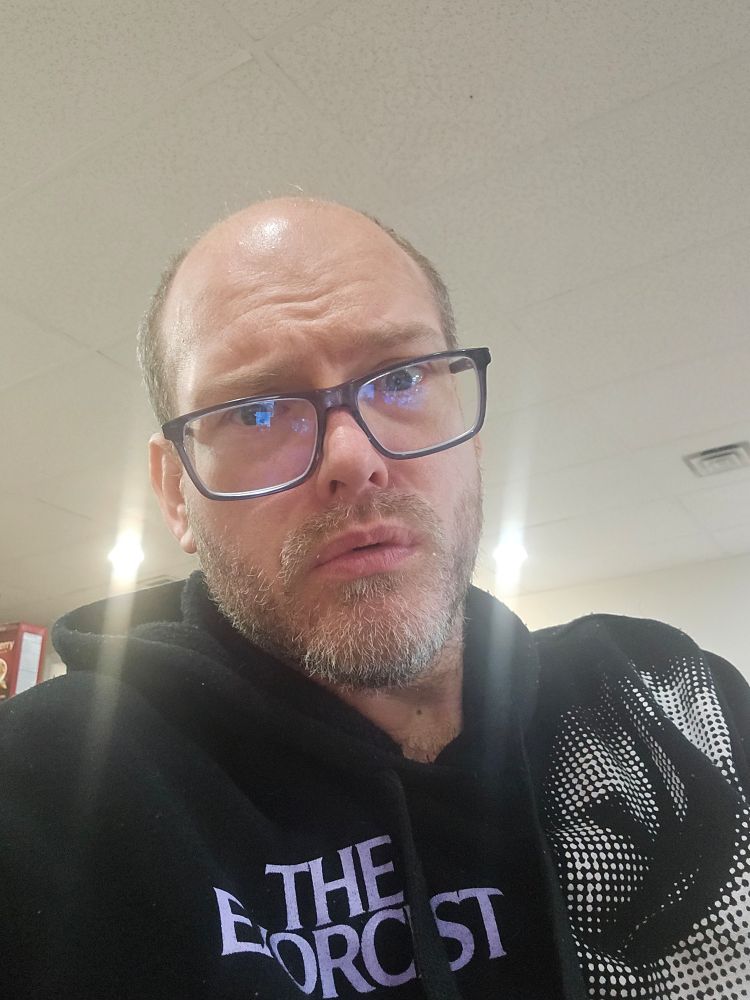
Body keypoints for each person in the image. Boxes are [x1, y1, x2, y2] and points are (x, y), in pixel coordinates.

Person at [1, 198, 748, 1000]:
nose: (352, 458)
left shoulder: (671, 700)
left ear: (470, 431)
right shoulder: (52, 790)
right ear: (176, 492)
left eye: (399, 378)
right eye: (257, 410)